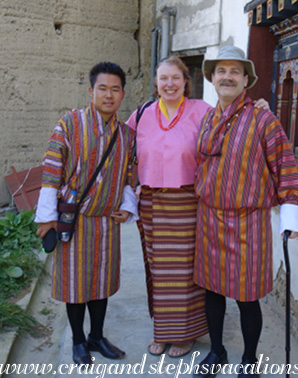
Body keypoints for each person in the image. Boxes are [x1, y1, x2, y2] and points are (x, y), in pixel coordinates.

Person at [192, 46, 298, 378]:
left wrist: (291, 213)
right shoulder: (207, 118)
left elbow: (285, 165)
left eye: (235, 71)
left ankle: (250, 359)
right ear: (212, 78)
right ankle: (217, 351)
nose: (227, 76)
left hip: (248, 221)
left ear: (245, 80)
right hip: (209, 217)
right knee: (212, 290)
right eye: (221, 71)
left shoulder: (263, 119)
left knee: (246, 296)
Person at [34, 62, 138, 365]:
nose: (109, 95)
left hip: (106, 222)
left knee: (101, 282)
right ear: (91, 91)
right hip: (74, 221)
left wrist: (127, 206)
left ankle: (97, 336)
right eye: (102, 88)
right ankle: (79, 341)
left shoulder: (127, 135)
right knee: (75, 284)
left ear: (122, 94)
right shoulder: (69, 124)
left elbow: (130, 175)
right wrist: (47, 218)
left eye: (115, 89)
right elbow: (51, 173)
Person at [125, 56, 212, 358]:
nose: (170, 84)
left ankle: (186, 333)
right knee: (158, 269)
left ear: (186, 81)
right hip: (150, 202)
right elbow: (118, 143)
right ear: (156, 83)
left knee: (185, 270)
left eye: (176, 78)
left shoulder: (202, 111)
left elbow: (232, 129)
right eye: (164, 78)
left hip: (188, 203)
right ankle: (162, 330)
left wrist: (259, 110)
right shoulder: (143, 114)